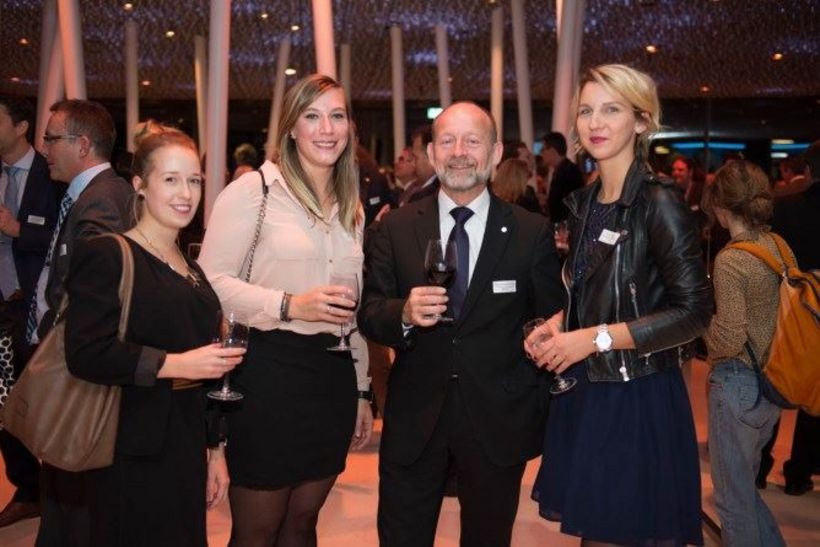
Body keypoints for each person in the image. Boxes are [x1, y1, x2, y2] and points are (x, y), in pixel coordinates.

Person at [359, 101, 564, 547]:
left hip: (498, 421)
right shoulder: (396, 228)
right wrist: (403, 314)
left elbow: (550, 318)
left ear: (495, 153)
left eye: (472, 141)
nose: (458, 152)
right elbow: (370, 312)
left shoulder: (530, 232)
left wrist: (544, 346)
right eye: (447, 141)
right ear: (432, 154)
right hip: (415, 419)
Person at [526, 64, 711, 546]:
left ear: (642, 121)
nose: (595, 123)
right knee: (598, 531)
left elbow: (694, 311)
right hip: (589, 388)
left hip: (637, 391)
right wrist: (559, 323)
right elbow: (595, 290)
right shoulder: (585, 203)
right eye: (586, 111)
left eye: (611, 110)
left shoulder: (658, 201)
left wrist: (595, 338)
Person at [198, 74, 372, 546]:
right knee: (257, 530)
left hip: (331, 378)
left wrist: (361, 389)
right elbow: (209, 284)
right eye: (312, 116)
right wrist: (289, 304)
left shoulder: (351, 208)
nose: (327, 129)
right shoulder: (254, 191)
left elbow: (351, 310)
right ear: (291, 128)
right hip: (266, 376)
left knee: (302, 525)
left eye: (337, 116)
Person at [63, 128, 245, 546]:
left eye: (194, 180)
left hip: (185, 439)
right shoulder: (109, 253)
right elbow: (86, 352)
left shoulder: (190, 266)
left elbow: (210, 366)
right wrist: (175, 364)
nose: (186, 193)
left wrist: (215, 449)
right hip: (127, 445)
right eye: (171, 179)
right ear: (140, 185)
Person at [31, 99, 135, 546]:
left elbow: (92, 290)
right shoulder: (94, 193)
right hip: (70, 352)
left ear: (83, 144)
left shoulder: (102, 200)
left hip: (75, 359)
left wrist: (51, 329)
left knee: (73, 488)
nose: (44, 148)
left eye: (51, 138)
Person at [701, 159, 791, 546]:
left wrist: (698, 321)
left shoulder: (731, 260)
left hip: (737, 385)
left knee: (733, 502)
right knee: (744, 493)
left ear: (721, 206)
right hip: (772, 382)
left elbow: (728, 339)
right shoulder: (777, 245)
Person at [0, 95, 61, 528]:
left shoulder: (51, 174)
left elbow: (63, 237)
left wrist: (17, 229)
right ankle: (28, 487)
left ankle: (58, 492)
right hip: (0, 309)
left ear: (20, 127)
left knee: (43, 404)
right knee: (3, 403)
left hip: (34, 310)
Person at [770, 140, 820, 496]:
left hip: (790, 309)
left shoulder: (786, 208)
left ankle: (759, 466)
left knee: (775, 383)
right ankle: (800, 471)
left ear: (808, 169)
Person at [540, 131, 584, 222]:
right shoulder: (562, 169)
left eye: (543, 149)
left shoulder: (569, 172)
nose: (541, 153)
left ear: (552, 150)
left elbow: (570, 205)